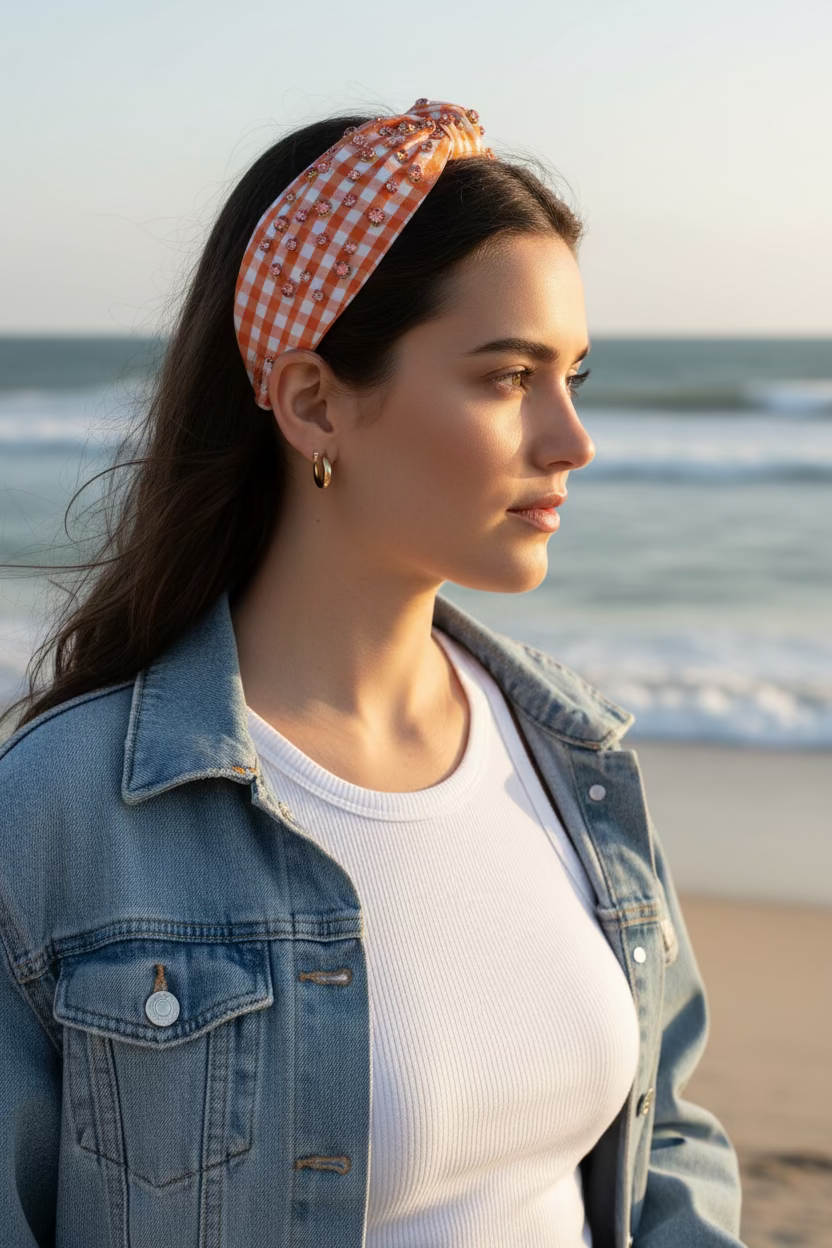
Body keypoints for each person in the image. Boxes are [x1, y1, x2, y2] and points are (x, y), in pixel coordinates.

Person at [0, 98, 746, 1248]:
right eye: (506, 378)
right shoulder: (62, 814)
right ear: (312, 400)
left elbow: (670, 1146)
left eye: (573, 377)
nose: (570, 440)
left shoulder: (571, 756)